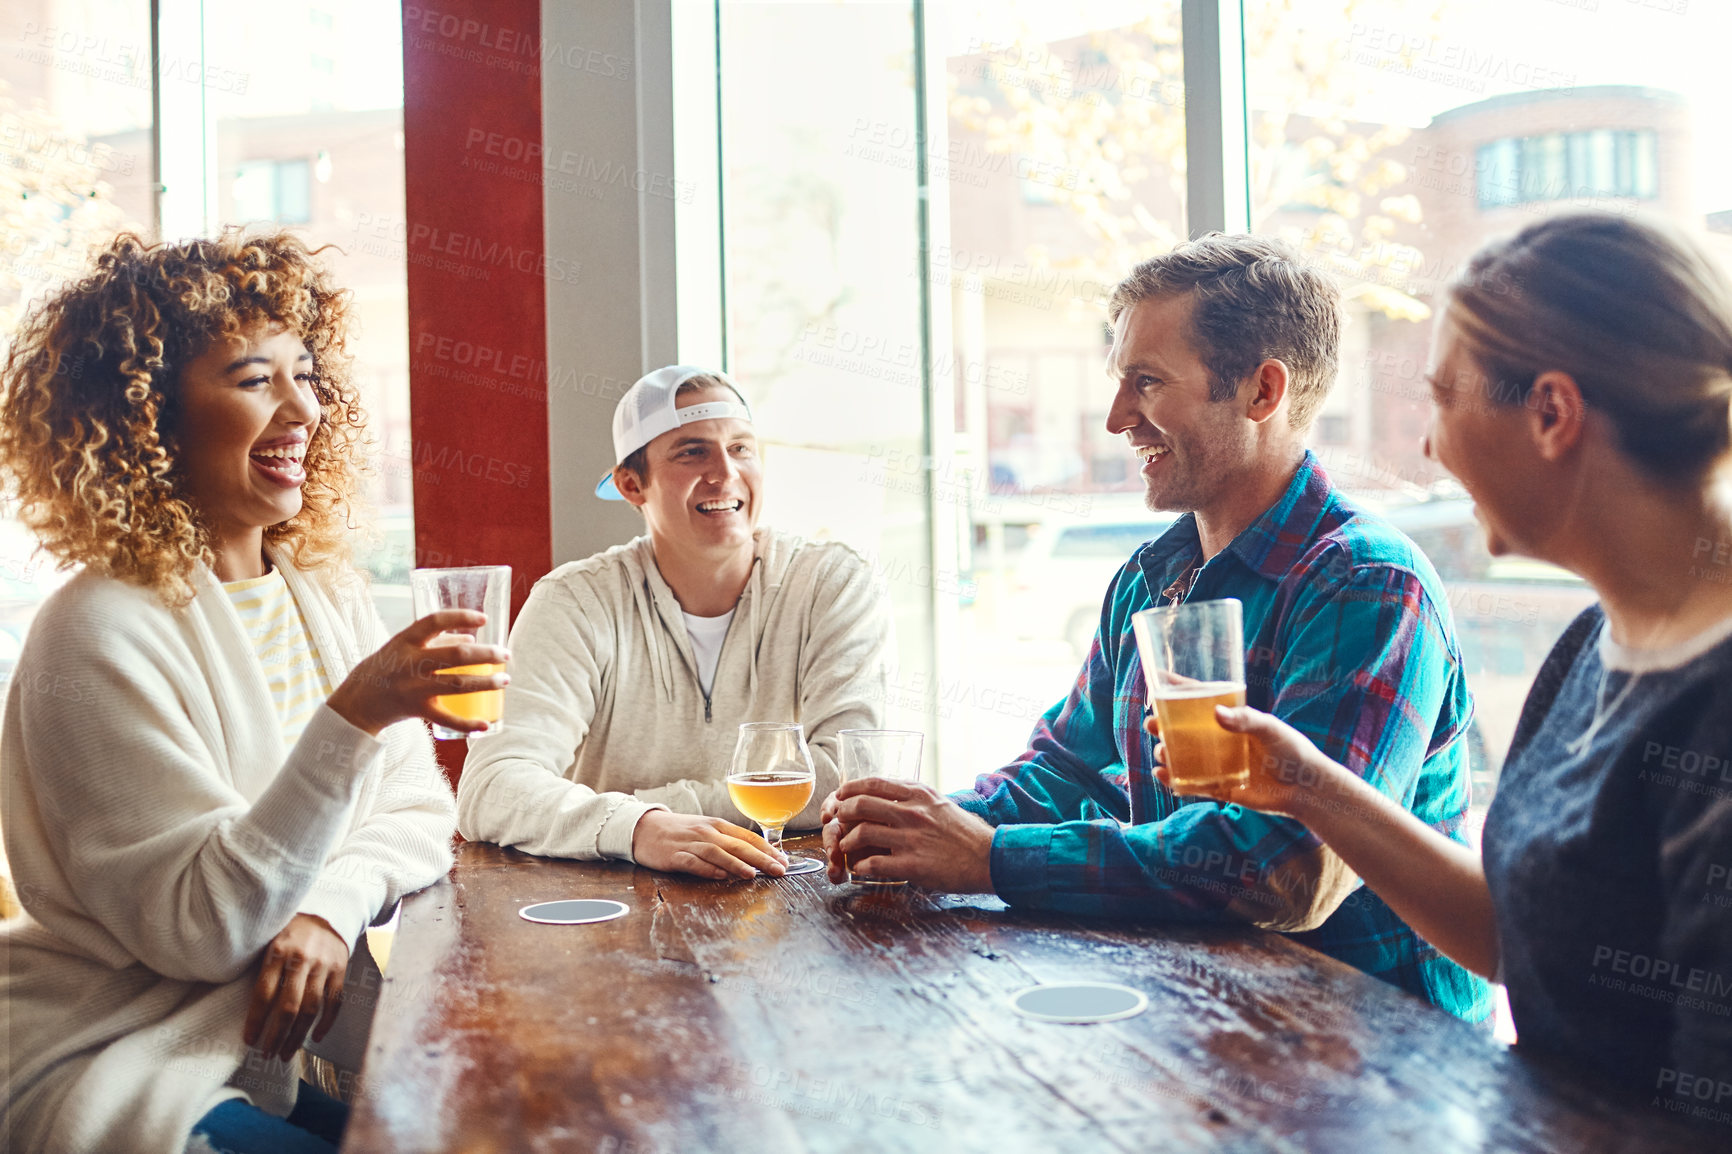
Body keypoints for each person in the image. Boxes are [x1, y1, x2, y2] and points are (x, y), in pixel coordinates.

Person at [1142, 213, 1732, 1104]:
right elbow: (1519, 934)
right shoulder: (1591, 647)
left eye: (1445, 398)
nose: (1429, 444)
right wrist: (1305, 782)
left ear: (1551, 413)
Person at [825, 233, 1491, 1022]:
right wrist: (916, 827)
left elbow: (1286, 870)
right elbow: (1066, 768)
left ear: (1262, 392)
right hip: (1200, 1012)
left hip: (1377, 1054)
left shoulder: (1369, 584)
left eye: (1146, 383)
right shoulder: (1149, 576)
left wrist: (989, 858)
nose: (1115, 420)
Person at [0, 232, 500, 1154]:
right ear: (150, 418)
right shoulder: (96, 632)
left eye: (305, 375)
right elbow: (208, 929)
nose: (303, 408)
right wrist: (355, 714)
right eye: (253, 379)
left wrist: (330, 904)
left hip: (260, 1051)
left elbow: (421, 806)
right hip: (117, 1053)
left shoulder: (322, 588)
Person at [456, 366, 891, 880]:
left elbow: (850, 777)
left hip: (793, 890)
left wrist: (636, 809)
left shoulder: (833, 582)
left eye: (742, 448)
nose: (726, 473)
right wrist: (642, 829)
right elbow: (491, 787)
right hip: (610, 906)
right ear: (631, 484)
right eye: (693, 451)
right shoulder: (573, 601)